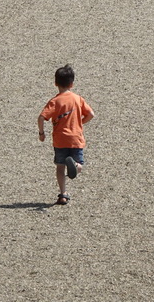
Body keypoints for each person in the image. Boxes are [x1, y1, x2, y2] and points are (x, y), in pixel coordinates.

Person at [38, 63, 95, 206]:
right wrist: (80, 123)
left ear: (56, 83)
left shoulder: (55, 101)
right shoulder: (77, 99)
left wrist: (41, 133)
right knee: (80, 164)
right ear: (72, 84)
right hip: (76, 138)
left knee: (59, 167)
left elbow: (41, 117)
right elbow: (91, 114)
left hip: (60, 139)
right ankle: (75, 166)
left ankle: (63, 194)